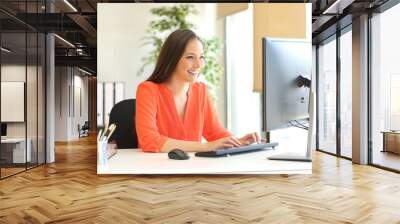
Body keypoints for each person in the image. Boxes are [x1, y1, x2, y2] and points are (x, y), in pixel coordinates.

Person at [136, 29, 260, 153]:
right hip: (157, 169)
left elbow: (215, 132)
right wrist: (206, 146)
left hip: (194, 168)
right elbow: (149, 141)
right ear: (172, 59)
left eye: (201, 57)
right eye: (190, 57)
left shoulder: (200, 91)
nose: (198, 65)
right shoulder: (148, 90)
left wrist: (239, 142)